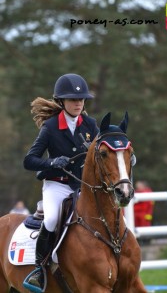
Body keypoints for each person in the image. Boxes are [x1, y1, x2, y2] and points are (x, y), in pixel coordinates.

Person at [23, 73, 99, 291]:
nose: (78, 103)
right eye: (73, 100)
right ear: (61, 102)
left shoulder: (91, 125)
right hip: (57, 185)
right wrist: (52, 162)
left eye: (81, 99)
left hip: (82, 187)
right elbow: (29, 161)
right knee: (51, 219)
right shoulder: (51, 126)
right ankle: (39, 270)